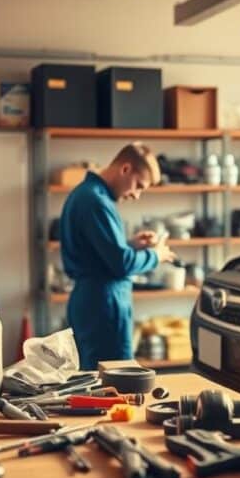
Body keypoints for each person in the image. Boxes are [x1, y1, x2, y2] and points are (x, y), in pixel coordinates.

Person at [59, 142, 177, 370]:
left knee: (98, 378)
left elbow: (98, 253)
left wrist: (130, 245)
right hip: (104, 304)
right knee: (115, 381)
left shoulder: (86, 194)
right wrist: (156, 255)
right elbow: (122, 264)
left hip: (94, 300)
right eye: (138, 186)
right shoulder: (96, 201)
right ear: (125, 169)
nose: (136, 195)